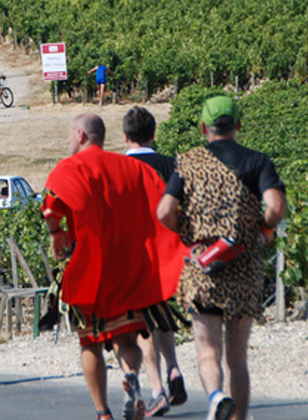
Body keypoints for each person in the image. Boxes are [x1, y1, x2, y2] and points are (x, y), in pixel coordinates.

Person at [45, 114, 187, 420]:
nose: (68, 141)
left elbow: (51, 207)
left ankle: (102, 413)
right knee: (127, 337)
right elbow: (160, 210)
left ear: (81, 135)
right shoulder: (133, 168)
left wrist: (57, 234)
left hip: (91, 270)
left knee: (90, 342)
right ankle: (131, 375)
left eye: (70, 135)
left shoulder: (69, 168)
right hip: (129, 270)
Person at [157, 96, 287, 420]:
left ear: (203, 128)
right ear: (238, 125)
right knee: (237, 357)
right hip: (244, 264)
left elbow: (164, 211)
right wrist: (261, 229)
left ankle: (216, 397)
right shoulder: (258, 162)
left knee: (207, 351)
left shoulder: (186, 162)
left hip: (204, 267)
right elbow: (276, 208)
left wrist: (187, 231)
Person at [121, 106, 189, 416]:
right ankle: (174, 368)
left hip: (134, 254)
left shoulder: (118, 167)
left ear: (125, 136)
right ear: (154, 134)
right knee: (162, 315)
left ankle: (157, 389)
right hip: (169, 252)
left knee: (142, 324)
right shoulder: (171, 165)